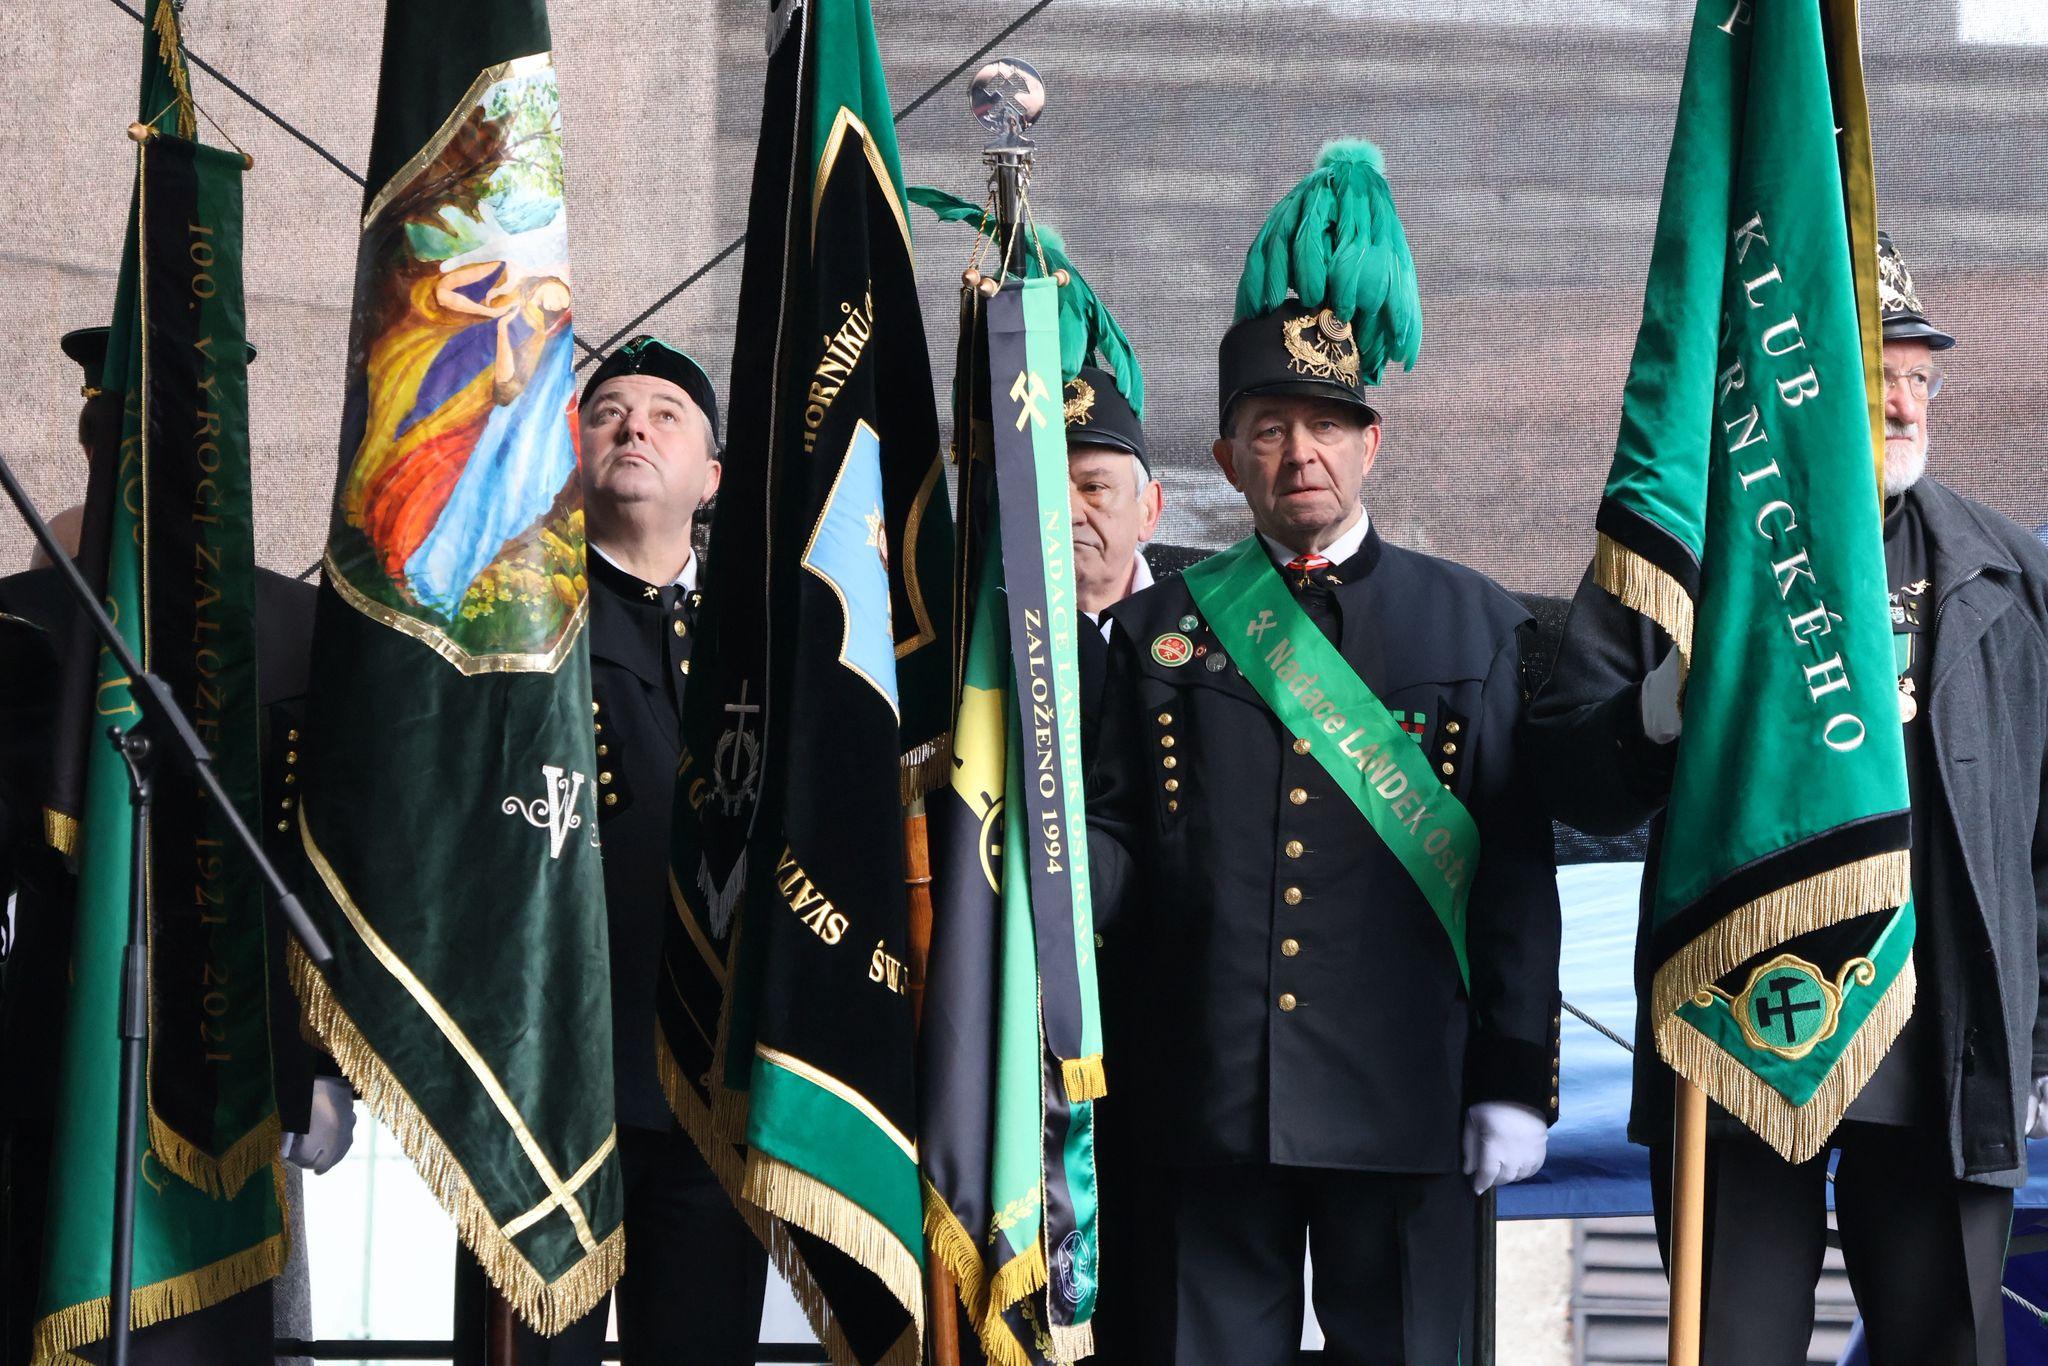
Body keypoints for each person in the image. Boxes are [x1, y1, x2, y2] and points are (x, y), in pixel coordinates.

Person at [1528, 231, 2048, 1363]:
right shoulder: (1683, 551)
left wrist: (2037, 1037)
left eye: (1916, 373)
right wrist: (1665, 700)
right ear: (1800, 379)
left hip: (1943, 1054)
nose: (1903, 399)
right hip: (1735, 1038)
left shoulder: (2009, 575)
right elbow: (1566, 770)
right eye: (1875, 371)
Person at [1085, 142, 1561, 1364]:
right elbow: (1109, 843)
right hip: (1195, 1102)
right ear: (1230, 454)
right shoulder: (1145, 635)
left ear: (1370, 442)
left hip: (1407, 1101)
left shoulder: (1480, 622)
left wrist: (1513, 1072)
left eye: (1324, 424)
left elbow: (1509, 871)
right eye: (1266, 425)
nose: (1298, 449)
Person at [0, 326, 352, 1362]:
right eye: (123, 426)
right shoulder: (20, 622)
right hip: (51, 1058)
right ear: (91, 434)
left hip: (247, 1063)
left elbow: (325, 865)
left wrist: (326, 1060)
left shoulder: (297, 630)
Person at [453, 334, 768, 1365]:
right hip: (546, 1086)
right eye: (607, 411)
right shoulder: (507, 621)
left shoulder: (763, 638)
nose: (632, 424)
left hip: (717, 1089)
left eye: (664, 414)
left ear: (711, 476)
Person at [1067, 362, 1163, 632]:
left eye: (1093, 488)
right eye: (1045, 493)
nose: (1069, 513)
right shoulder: (973, 642)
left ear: (1148, 510)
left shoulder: (1210, 623)